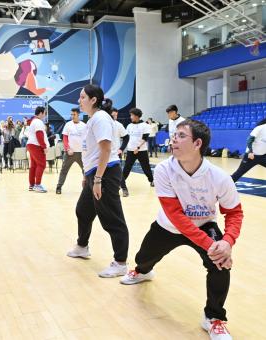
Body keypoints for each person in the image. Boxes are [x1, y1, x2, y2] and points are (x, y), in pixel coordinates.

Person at [120, 119, 243, 340]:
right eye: (174, 134)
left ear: (197, 143)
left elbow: (234, 213)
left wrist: (226, 242)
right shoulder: (164, 170)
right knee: (144, 257)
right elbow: (175, 215)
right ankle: (143, 271)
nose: (174, 139)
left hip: (204, 224)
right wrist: (211, 244)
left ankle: (214, 318)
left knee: (220, 264)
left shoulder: (220, 177)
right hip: (168, 226)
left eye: (181, 135)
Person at [67, 84, 129, 278]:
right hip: (94, 173)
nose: (79, 100)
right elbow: (91, 152)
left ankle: (120, 263)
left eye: (82, 97)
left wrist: (98, 179)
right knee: (83, 210)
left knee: (112, 219)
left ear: (94, 100)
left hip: (106, 174)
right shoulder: (92, 120)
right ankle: (82, 246)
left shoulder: (101, 118)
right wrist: (88, 177)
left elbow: (105, 149)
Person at [120, 108, 154, 197]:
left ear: (136, 116)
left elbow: (145, 138)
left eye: (132, 115)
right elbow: (126, 138)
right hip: (131, 150)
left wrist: (138, 147)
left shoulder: (145, 125)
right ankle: (121, 183)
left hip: (141, 150)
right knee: (127, 167)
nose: (130, 117)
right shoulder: (129, 126)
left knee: (145, 167)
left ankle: (151, 180)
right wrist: (126, 149)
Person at [56, 108, 86, 194]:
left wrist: (86, 151)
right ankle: (59, 187)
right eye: (71, 115)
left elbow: (86, 139)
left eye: (74, 114)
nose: (72, 116)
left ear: (78, 115)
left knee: (86, 171)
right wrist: (68, 148)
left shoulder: (84, 125)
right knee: (64, 170)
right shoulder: (68, 125)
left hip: (82, 153)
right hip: (69, 153)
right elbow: (65, 138)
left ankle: (87, 188)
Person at [27, 106, 49, 193]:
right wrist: (44, 147)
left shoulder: (33, 121)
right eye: (44, 113)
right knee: (42, 164)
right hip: (36, 145)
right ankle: (37, 185)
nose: (45, 115)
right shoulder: (38, 122)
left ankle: (32, 185)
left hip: (31, 145)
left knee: (34, 166)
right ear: (40, 113)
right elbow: (39, 135)